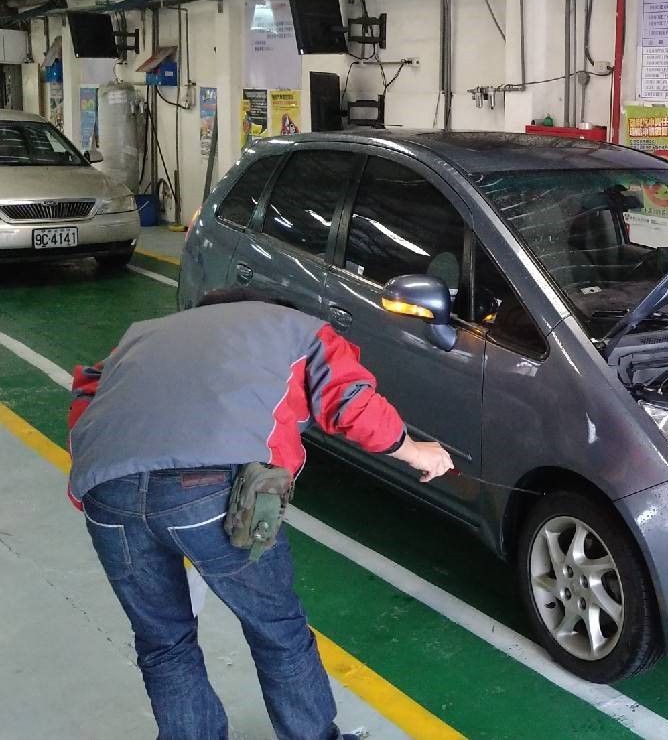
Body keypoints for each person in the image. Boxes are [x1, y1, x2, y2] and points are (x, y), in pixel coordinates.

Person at [67, 288, 453, 740]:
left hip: (106, 492)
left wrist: (105, 487)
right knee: (276, 628)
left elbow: (86, 398)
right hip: (209, 489)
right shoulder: (300, 329)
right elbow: (350, 402)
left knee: (163, 642)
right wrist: (415, 451)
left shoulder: (140, 335)